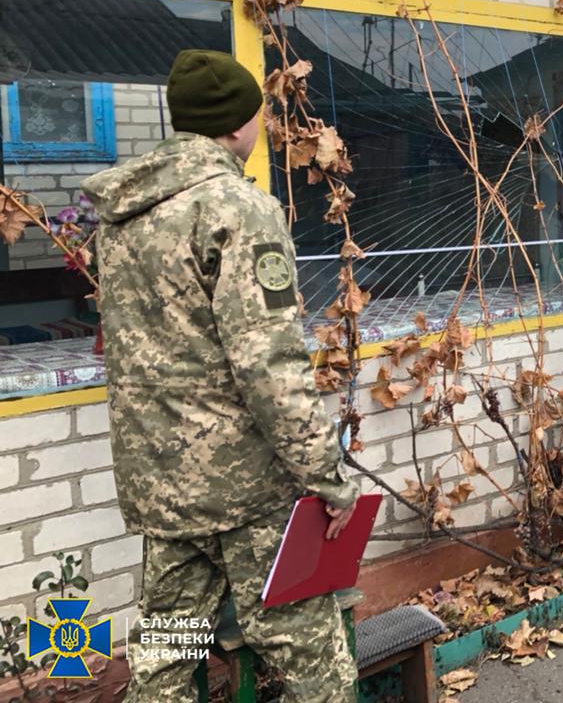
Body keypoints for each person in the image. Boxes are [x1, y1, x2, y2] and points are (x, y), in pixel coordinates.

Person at [82, 50, 360, 702]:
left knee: (167, 651)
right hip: (244, 490)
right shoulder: (238, 209)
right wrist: (326, 477)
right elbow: (268, 363)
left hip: (162, 483)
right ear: (238, 124)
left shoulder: (123, 214)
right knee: (309, 657)